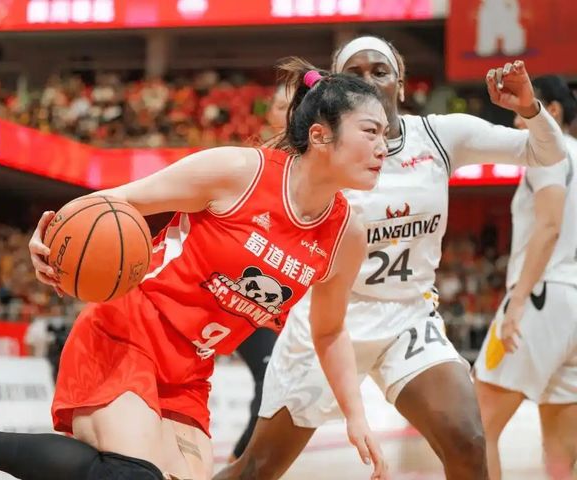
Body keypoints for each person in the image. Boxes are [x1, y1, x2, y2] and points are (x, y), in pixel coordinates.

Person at [0, 58, 390, 480]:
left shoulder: (345, 236)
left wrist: (356, 416)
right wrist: (52, 236)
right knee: (134, 475)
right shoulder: (239, 172)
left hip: (191, 369)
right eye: (370, 132)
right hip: (126, 333)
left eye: (386, 134)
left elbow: (329, 331)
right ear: (320, 135)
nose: (382, 147)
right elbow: (118, 200)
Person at [213, 36, 567, 480]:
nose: (369, 81)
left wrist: (530, 110)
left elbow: (547, 151)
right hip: (332, 320)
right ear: (337, 87)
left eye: (380, 71)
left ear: (399, 85)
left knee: (468, 440)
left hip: (408, 316)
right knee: (258, 468)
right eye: (355, 74)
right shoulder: (321, 150)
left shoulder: (440, 136)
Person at [474, 75, 577, 480]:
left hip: (541, 296)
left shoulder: (547, 151)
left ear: (551, 111)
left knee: (477, 428)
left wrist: (517, 302)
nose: (517, 123)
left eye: (523, 112)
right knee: (561, 456)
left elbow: (549, 226)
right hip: (573, 301)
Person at [228, 83, 294, 463]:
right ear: (269, 113)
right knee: (269, 381)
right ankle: (237, 464)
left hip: (285, 298)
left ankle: (239, 464)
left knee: (277, 389)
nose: (289, 111)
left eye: (295, 105)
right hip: (244, 292)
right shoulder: (253, 163)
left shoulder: (318, 166)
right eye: (281, 105)